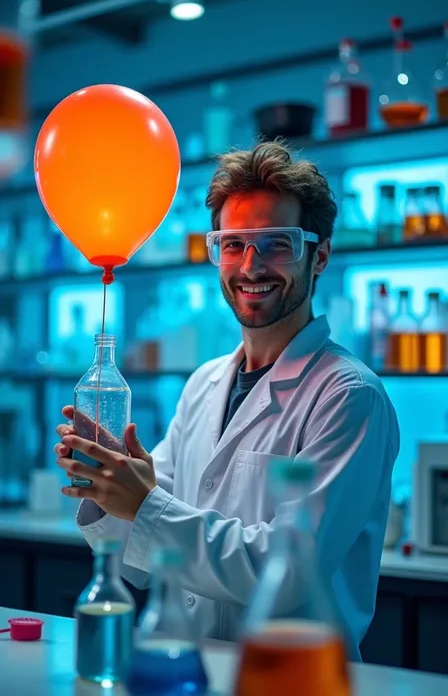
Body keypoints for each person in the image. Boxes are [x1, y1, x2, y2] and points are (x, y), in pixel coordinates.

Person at [55, 141, 400, 660]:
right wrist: (108, 486)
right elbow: (142, 561)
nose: (250, 266)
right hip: (191, 668)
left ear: (320, 255)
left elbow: (280, 572)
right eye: (233, 243)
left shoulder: (349, 397)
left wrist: (144, 502)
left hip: (293, 680)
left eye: (276, 244)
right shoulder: (204, 384)